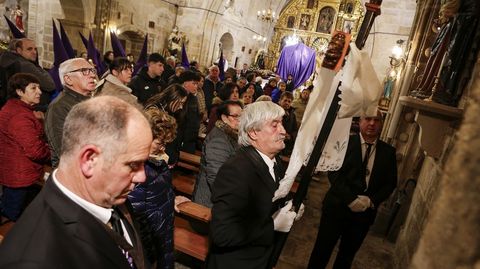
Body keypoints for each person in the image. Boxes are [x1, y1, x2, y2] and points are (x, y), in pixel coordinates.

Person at [0, 96, 153, 268]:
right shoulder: (34, 259)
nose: (142, 177)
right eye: (133, 164)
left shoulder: (108, 193)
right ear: (89, 160)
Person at [207, 101, 298, 269]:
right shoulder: (237, 170)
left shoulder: (274, 160)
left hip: (259, 257)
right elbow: (222, 233)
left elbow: (268, 195)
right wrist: (273, 225)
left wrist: (288, 207)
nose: (283, 131)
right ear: (254, 132)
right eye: (274, 125)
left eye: (282, 123)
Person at [307, 111, 397, 269]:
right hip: (337, 207)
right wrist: (350, 199)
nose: (371, 123)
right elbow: (334, 173)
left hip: (363, 214)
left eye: (376, 120)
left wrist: (371, 200)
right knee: (321, 251)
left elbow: (390, 183)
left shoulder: (388, 152)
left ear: (382, 123)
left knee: (346, 257)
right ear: (360, 121)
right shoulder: (345, 143)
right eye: (367, 119)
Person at [129, 107, 189, 269]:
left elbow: (157, 190)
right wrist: (148, 253)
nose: (163, 148)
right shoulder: (138, 168)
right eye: (159, 143)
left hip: (162, 231)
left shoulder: (154, 162)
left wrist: (171, 197)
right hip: (150, 242)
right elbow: (137, 216)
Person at [0, 73, 51, 222]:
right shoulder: (20, 115)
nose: (39, 92)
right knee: (13, 217)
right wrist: (54, 154)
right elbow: (35, 150)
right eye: (33, 88)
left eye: (39, 88)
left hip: (16, 172)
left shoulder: (16, 109)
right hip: (20, 176)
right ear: (19, 92)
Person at [45, 58, 96, 168]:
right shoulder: (58, 107)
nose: (92, 75)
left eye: (92, 70)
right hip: (73, 174)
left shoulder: (91, 101)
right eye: (84, 71)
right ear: (68, 79)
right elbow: (63, 150)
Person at [192, 100, 243, 209]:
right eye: (236, 116)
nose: (240, 120)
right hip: (209, 204)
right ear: (224, 118)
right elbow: (216, 179)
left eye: (242, 116)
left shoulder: (232, 134)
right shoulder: (218, 140)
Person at [0, 38, 56, 110]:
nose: (34, 52)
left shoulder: (8, 60)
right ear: (19, 50)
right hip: (32, 108)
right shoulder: (25, 65)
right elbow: (50, 85)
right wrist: (38, 67)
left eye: (35, 49)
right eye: (29, 49)